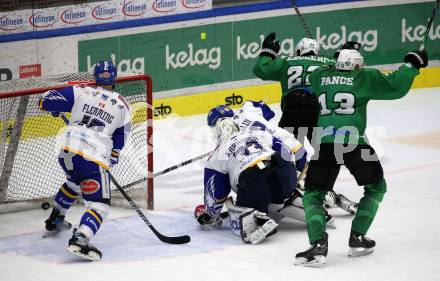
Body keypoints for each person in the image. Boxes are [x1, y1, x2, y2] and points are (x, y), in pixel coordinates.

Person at [294, 49, 428, 266]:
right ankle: (357, 238)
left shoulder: (319, 77)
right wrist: (411, 65)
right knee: (376, 187)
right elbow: (396, 87)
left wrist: (333, 63)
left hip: (325, 143)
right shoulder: (364, 77)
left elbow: (321, 70)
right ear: (356, 65)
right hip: (354, 142)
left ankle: (317, 246)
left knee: (313, 195)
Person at [253, 34, 359, 214]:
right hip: (315, 111)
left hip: (291, 111)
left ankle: (283, 187)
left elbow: (260, 69)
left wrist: (268, 51)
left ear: (298, 51)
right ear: (316, 52)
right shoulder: (326, 62)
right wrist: (348, 51)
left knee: (283, 153)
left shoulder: (287, 61)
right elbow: (348, 68)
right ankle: (323, 188)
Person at [39, 60, 131, 261]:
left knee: (75, 181)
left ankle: (56, 218)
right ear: (115, 77)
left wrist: (55, 108)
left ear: (95, 76)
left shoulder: (81, 91)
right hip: (92, 156)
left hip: (67, 151)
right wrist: (109, 162)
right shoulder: (123, 105)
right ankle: (81, 238)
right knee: (100, 205)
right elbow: (119, 143)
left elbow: (44, 100)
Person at [195, 115, 308, 244]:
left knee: (240, 202)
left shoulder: (216, 156)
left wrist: (207, 215)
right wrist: (294, 177)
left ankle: (259, 219)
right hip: (286, 173)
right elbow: (288, 152)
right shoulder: (259, 133)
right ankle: (294, 198)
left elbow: (216, 196)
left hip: (254, 181)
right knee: (273, 181)